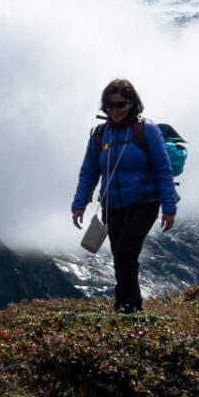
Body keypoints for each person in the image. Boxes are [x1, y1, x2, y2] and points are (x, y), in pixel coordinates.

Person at [71, 78, 178, 313]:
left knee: (125, 254)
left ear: (132, 103)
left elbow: (163, 169)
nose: (114, 110)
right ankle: (129, 309)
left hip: (144, 202)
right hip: (112, 206)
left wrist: (169, 208)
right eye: (109, 105)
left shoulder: (146, 130)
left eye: (120, 104)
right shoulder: (100, 134)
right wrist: (79, 204)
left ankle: (127, 309)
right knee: (121, 257)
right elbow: (89, 171)